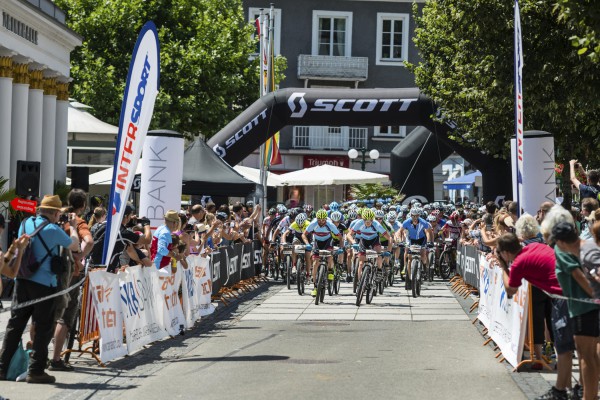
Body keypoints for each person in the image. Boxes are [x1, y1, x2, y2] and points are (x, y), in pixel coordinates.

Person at [0, 195, 79, 384]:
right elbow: (74, 244)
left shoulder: (26, 223)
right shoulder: (52, 229)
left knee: (15, 325)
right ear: (55, 213)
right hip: (44, 285)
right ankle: (36, 371)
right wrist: (74, 227)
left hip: (22, 280)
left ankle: (2, 368)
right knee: (44, 327)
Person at [551, 221, 599, 400]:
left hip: (584, 308)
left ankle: (589, 397)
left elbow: (582, 279)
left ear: (561, 242)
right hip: (585, 307)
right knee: (591, 356)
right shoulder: (588, 245)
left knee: (586, 356)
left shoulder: (578, 251)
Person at [50, 189, 94, 372]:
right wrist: (80, 257)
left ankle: (36, 354)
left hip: (49, 272)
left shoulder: (56, 218)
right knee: (65, 317)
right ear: (83, 205)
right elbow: (89, 241)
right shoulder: (77, 221)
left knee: (47, 313)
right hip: (71, 274)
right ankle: (56, 359)